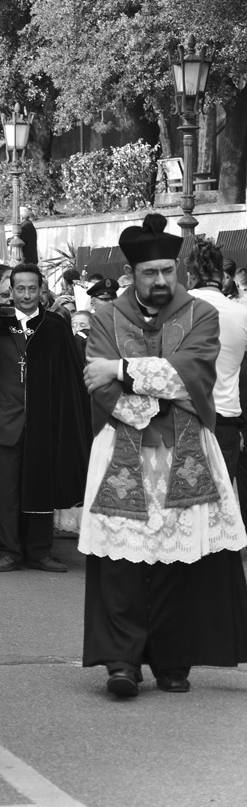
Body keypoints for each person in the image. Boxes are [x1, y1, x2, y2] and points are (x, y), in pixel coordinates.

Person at [80, 213, 247, 699]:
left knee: (181, 561)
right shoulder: (106, 317)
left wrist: (122, 367)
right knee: (123, 564)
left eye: (167, 272)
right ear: (132, 275)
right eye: (149, 273)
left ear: (180, 272)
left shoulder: (203, 315)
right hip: (124, 450)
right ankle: (123, 662)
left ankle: (174, 661)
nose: (160, 281)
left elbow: (192, 376)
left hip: (186, 452)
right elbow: (98, 386)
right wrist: (140, 402)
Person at [0, 262, 92, 573]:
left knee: (40, 488)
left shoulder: (54, 327)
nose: (25, 295)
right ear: (10, 292)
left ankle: (39, 552)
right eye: (19, 289)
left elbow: (70, 376)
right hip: (3, 422)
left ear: (41, 291)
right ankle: (9, 550)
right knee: (5, 493)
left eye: (31, 289)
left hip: (42, 423)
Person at [185, 235, 247, 480]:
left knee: (186, 511)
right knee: (220, 510)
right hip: (227, 424)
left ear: (190, 276)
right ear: (222, 277)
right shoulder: (242, 314)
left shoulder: (177, 308)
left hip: (186, 420)